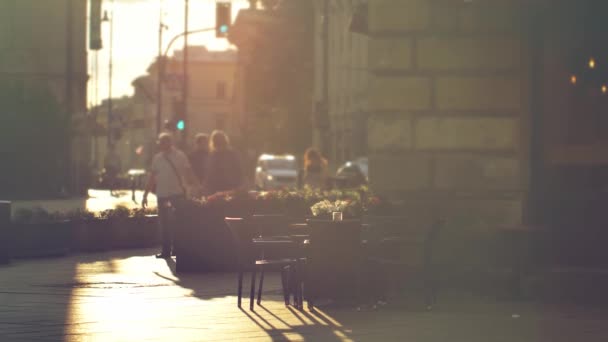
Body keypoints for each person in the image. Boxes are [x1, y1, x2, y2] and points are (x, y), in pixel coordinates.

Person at [142, 133, 199, 259]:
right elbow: (152, 178)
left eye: (164, 142)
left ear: (169, 143)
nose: (162, 145)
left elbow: (189, 172)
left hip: (177, 194)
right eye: (161, 143)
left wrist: (197, 186)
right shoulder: (157, 158)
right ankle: (166, 251)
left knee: (177, 222)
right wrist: (145, 195)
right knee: (164, 224)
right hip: (162, 195)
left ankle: (177, 249)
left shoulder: (180, 156)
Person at [203, 130, 243, 195]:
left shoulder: (213, 155)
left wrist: (206, 187)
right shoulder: (233, 154)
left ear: (213, 142)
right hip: (232, 187)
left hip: (216, 188)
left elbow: (209, 174)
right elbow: (240, 170)